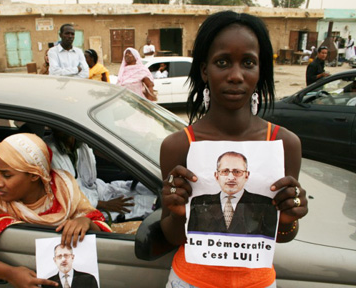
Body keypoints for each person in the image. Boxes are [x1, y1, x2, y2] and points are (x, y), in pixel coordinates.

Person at [160, 11, 308, 288]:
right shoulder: (178, 145)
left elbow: (283, 235)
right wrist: (178, 211)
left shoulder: (283, 143)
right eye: (223, 62)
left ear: (259, 69)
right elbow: (172, 236)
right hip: (189, 281)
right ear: (205, 70)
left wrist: (288, 216)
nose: (236, 75)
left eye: (248, 63)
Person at [0, 133, 111, 288]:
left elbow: (98, 222)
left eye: (7, 175)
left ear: (34, 175)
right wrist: (9, 273)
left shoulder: (64, 187)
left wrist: (86, 222)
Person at [44, 130, 157, 223]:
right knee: (146, 205)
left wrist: (140, 147)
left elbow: (107, 155)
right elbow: (68, 198)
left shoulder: (80, 141)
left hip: (100, 190)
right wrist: (105, 205)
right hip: (87, 206)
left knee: (143, 190)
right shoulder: (51, 153)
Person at [187, 151, 277, 238]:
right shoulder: (199, 202)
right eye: (225, 171)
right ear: (216, 175)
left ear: (246, 175)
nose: (231, 178)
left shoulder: (265, 204)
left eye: (237, 172)